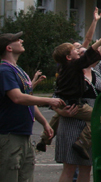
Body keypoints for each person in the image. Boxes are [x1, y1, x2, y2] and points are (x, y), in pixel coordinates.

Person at [1, 32, 65, 182]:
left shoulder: (18, 69)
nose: (22, 41)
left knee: (26, 177)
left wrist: (44, 123)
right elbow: (17, 98)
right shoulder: (4, 71)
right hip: (9, 135)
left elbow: (28, 100)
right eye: (17, 39)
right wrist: (49, 101)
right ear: (9, 47)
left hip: (24, 135)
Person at [51, 25, 101, 162]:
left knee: (56, 118)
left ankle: (45, 138)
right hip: (75, 104)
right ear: (68, 57)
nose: (78, 51)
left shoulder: (63, 70)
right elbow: (91, 51)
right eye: (74, 50)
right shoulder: (74, 66)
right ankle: (82, 142)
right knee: (98, 117)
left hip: (67, 102)